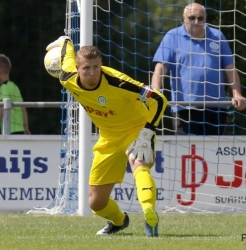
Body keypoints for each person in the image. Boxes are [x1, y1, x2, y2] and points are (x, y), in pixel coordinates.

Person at [46, 36, 167, 237]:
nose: (92, 73)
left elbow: (159, 100)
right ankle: (119, 221)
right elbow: (67, 52)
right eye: (86, 68)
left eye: (96, 67)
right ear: (77, 67)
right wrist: (65, 40)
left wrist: (146, 133)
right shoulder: (67, 77)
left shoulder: (118, 82)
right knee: (96, 202)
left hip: (136, 129)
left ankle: (149, 214)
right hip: (109, 138)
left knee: (140, 166)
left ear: (101, 64)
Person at [151, 3, 246, 135]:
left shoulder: (217, 36)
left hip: (215, 108)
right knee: (186, 154)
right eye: (192, 18)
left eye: (200, 18)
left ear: (205, 19)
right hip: (185, 108)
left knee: (215, 153)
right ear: (184, 18)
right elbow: (160, 68)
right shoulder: (172, 36)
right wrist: (156, 91)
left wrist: (237, 93)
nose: (196, 21)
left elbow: (230, 67)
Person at [0, 54, 30, 135]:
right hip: (20, 130)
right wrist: (26, 127)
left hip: (10, 131)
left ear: (0, 71)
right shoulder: (15, 87)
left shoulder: (4, 87)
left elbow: (2, 108)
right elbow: (23, 108)